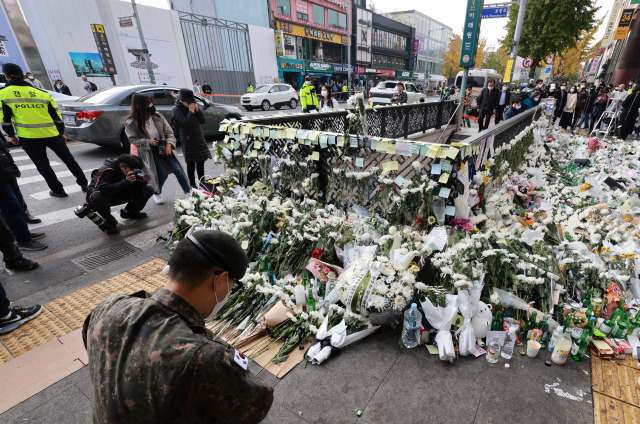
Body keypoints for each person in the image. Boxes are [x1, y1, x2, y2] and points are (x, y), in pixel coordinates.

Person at [83, 230, 274, 423]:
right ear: (220, 281)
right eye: (232, 285)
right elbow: (257, 403)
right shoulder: (202, 357)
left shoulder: (109, 306)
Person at [0, 63, 88, 198]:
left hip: (28, 137)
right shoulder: (42, 93)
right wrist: (61, 132)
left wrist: (11, 136)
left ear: (6, 76)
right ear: (24, 76)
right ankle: (84, 184)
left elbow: (4, 118)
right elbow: (56, 116)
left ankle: (58, 190)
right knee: (69, 159)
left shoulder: (3, 94)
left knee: (43, 165)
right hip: (51, 134)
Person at [124, 93, 190, 205]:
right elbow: (133, 140)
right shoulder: (131, 122)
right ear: (141, 106)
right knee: (162, 173)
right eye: (149, 103)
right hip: (148, 151)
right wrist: (147, 141)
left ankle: (189, 192)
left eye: (151, 102)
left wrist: (169, 144)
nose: (151, 105)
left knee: (178, 169)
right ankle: (156, 192)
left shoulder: (157, 116)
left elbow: (169, 132)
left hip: (163, 146)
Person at [78, 154, 154, 234]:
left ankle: (130, 212)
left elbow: (139, 192)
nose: (133, 172)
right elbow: (104, 190)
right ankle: (109, 220)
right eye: (131, 169)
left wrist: (141, 183)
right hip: (104, 197)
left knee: (148, 189)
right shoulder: (108, 170)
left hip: (119, 191)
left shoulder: (129, 171)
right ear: (122, 167)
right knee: (97, 196)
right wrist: (126, 181)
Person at [0, 140, 47, 250]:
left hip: (6, 169)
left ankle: (24, 233)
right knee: (11, 208)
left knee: (18, 204)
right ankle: (22, 240)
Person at [171, 89, 211, 188]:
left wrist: (197, 111)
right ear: (181, 100)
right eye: (188, 102)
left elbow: (202, 121)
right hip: (187, 139)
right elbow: (185, 123)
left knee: (201, 162)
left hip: (198, 137)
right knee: (191, 163)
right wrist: (191, 111)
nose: (191, 103)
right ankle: (192, 185)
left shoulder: (192, 107)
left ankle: (202, 182)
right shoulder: (176, 109)